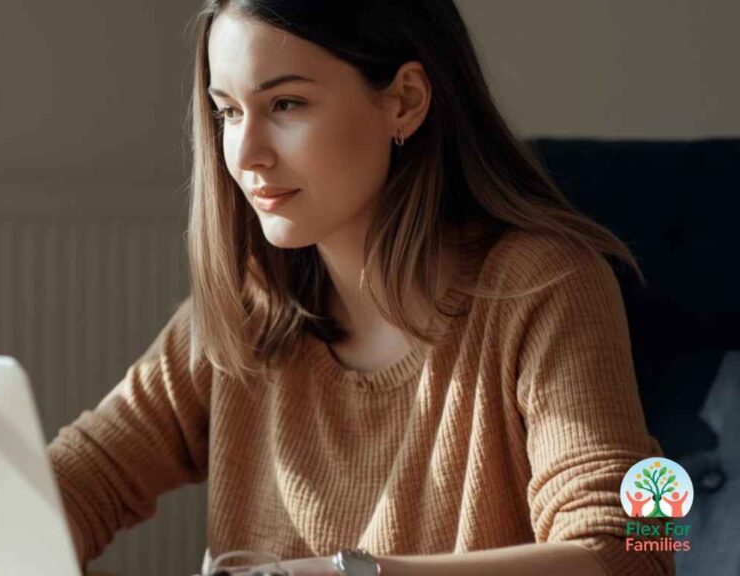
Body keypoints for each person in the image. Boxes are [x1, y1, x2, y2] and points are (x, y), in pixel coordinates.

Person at [47, 1, 675, 575]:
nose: (246, 153)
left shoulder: (546, 284)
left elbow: (635, 550)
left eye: (286, 104)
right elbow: (78, 482)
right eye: (228, 112)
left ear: (403, 100)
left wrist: (346, 573)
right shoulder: (247, 307)